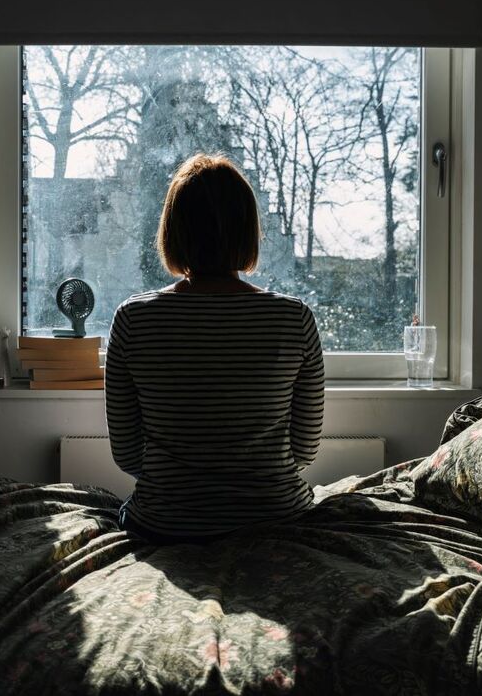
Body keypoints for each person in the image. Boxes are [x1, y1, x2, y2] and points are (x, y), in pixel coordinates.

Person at [105, 152, 325, 544]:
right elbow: (305, 450)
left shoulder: (133, 319)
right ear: (248, 231)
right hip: (277, 521)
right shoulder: (294, 319)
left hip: (165, 524)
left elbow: (127, 454)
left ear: (172, 231)